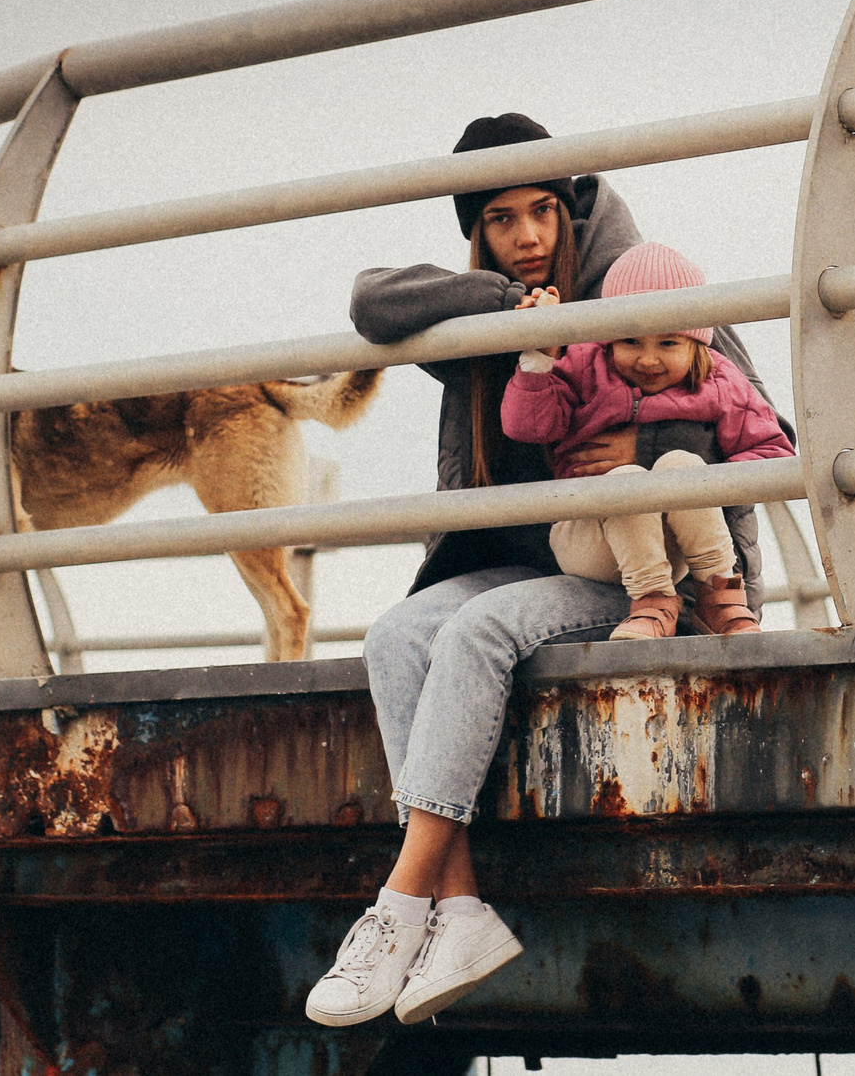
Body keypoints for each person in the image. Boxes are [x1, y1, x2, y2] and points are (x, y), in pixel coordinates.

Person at [303, 112, 782, 1029]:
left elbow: (758, 435)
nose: (526, 238)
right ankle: (463, 905)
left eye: (539, 214)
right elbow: (374, 302)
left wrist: (645, 447)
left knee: (479, 633)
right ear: (476, 232)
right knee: (399, 634)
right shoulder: (498, 302)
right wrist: (505, 306)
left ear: (570, 207)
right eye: (498, 220)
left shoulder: (647, 289)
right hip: (532, 557)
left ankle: (400, 903)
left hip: (646, 574)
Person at [504, 241, 792, 640]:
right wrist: (538, 356)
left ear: (697, 343)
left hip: (675, 548)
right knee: (628, 481)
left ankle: (721, 597)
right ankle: (651, 600)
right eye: (631, 341)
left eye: (668, 343)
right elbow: (528, 427)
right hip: (590, 533)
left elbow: (773, 454)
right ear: (609, 338)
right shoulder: (585, 367)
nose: (648, 360)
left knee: (682, 467)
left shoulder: (721, 380)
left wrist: (702, 484)